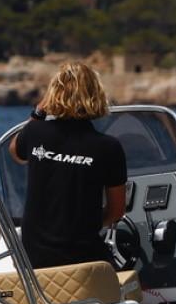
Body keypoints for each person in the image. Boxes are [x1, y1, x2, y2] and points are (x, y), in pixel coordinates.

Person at [9, 61, 127, 269]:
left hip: (33, 259)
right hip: (82, 259)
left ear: (53, 94)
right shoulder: (109, 147)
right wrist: (86, 225)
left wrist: (39, 112)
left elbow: (16, 153)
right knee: (133, 279)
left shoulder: (35, 132)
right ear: (96, 95)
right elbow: (116, 211)